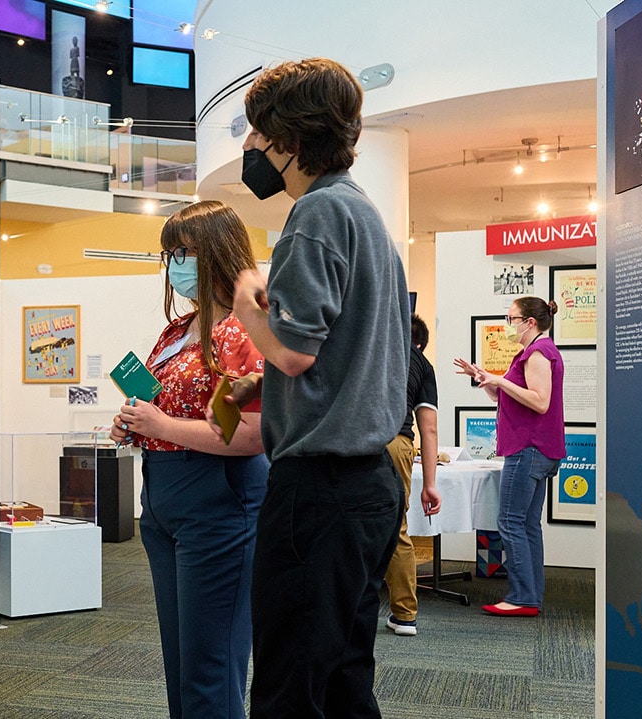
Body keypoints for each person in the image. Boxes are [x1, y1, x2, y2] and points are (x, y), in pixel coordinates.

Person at [223, 57, 410, 718]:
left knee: (289, 682)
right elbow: (334, 358)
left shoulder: (315, 216)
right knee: (343, 676)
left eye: (256, 133)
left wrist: (248, 306)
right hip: (368, 486)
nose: (249, 148)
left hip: (320, 495)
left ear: (290, 139)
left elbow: (298, 353)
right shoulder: (364, 216)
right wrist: (261, 380)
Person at [109, 201, 268, 719]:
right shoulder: (180, 329)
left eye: (184, 251)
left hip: (218, 499)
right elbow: (157, 402)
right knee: (181, 661)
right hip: (162, 501)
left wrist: (162, 427)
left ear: (217, 253)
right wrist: (135, 420)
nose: (174, 263)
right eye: (169, 253)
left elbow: (249, 435)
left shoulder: (245, 331)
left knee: (210, 666)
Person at [453, 297, 565, 617]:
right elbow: (509, 398)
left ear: (530, 322)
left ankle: (522, 596)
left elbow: (540, 402)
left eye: (512, 319)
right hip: (534, 448)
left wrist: (499, 379)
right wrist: (485, 378)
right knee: (527, 524)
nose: (509, 325)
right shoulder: (534, 352)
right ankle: (529, 594)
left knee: (511, 521)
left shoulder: (538, 353)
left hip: (527, 449)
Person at [383, 314, 443, 637]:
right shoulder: (422, 364)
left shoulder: (372, 343)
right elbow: (428, 428)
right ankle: (405, 615)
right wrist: (430, 484)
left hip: (357, 439)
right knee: (397, 527)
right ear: (420, 343)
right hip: (397, 443)